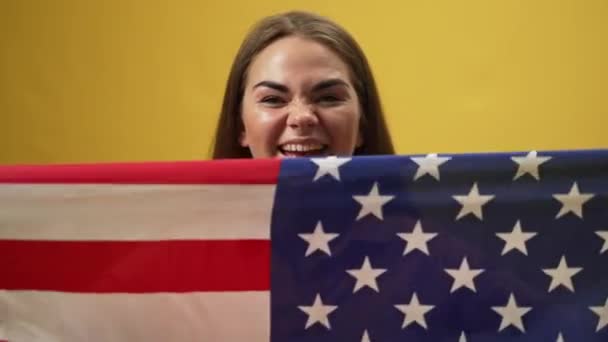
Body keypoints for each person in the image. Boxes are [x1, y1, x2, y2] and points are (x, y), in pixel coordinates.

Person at [211, 11, 394, 159]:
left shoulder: (419, 206)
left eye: (328, 98)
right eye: (273, 99)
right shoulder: (192, 206)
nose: (301, 117)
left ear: (362, 124)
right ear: (240, 126)